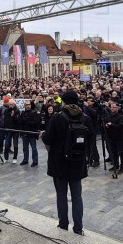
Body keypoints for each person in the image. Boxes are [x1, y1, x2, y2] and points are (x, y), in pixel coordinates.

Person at [42, 90, 89, 235]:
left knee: (61, 194)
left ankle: (63, 224)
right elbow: (90, 140)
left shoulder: (57, 117)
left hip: (60, 162)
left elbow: (48, 139)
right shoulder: (85, 118)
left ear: (64, 101)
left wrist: (43, 135)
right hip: (77, 162)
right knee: (77, 196)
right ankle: (78, 228)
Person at [19, 100, 41, 167]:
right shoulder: (22, 113)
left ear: (31, 105)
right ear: (24, 106)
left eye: (29, 105)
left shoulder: (34, 113)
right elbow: (21, 122)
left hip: (31, 133)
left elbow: (35, 123)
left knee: (33, 148)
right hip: (24, 133)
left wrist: (26, 120)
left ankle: (35, 161)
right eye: (26, 105)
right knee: (25, 148)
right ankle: (25, 160)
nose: (28, 106)